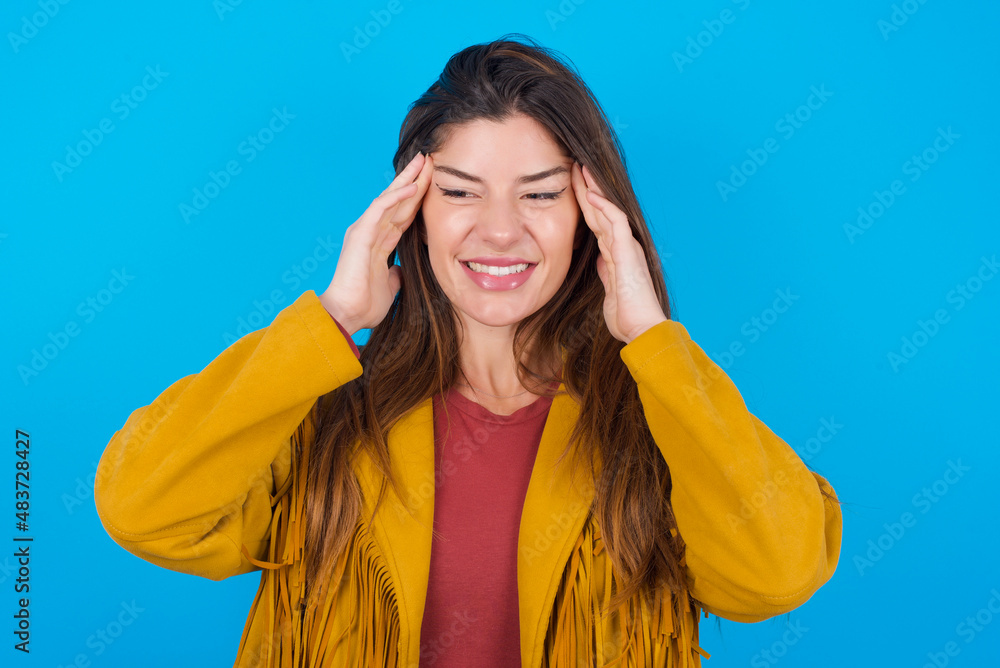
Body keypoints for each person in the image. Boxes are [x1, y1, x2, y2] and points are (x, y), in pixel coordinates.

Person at [94, 34, 842, 667]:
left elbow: (774, 575)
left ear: (593, 218)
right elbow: (144, 509)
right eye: (459, 191)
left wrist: (652, 340)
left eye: (541, 194)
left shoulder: (660, 424)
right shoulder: (319, 413)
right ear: (410, 212)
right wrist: (334, 316)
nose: (499, 230)